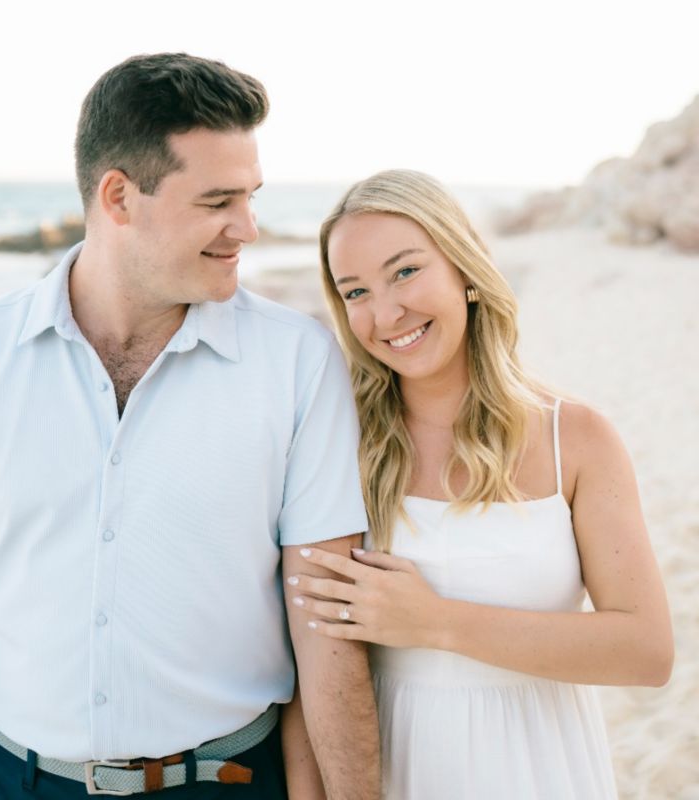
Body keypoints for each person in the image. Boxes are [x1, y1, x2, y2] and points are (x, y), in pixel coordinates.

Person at [0, 53, 380, 799]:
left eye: (251, 197)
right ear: (119, 197)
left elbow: (325, 630)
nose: (248, 228)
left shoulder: (298, 361)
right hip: (9, 780)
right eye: (218, 201)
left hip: (227, 782)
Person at [287, 169, 674, 799]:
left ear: (463, 268)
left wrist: (436, 623)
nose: (385, 314)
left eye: (405, 271)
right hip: (395, 773)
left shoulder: (576, 438)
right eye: (355, 291)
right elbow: (304, 669)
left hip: (542, 774)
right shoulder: (336, 442)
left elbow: (646, 651)